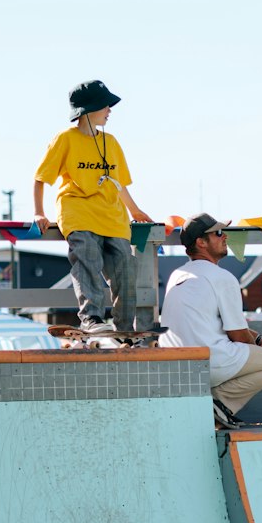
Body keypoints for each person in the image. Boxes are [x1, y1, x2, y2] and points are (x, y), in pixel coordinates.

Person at [33, 80, 153, 334]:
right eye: (105, 105)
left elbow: (118, 183)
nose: (110, 110)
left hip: (112, 215)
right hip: (77, 210)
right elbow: (41, 178)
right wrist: (39, 212)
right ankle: (91, 319)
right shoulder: (65, 139)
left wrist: (135, 210)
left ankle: (123, 328)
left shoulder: (112, 142)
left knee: (125, 269)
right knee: (87, 258)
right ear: (89, 109)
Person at [159, 214, 262, 425]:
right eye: (218, 233)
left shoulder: (177, 275)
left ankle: (215, 406)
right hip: (206, 364)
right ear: (201, 242)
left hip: (175, 366)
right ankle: (219, 402)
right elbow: (238, 336)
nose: (225, 236)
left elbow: (217, 325)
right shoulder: (222, 277)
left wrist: (259, 340)